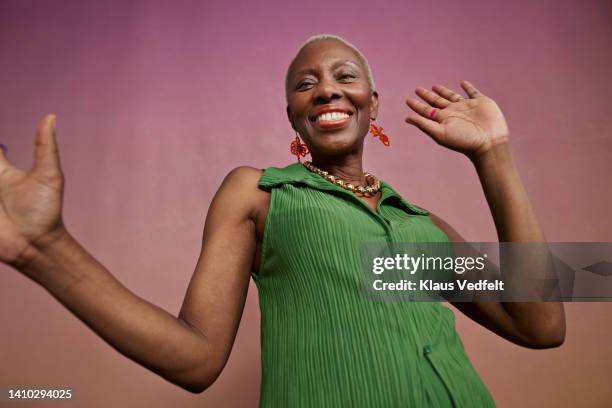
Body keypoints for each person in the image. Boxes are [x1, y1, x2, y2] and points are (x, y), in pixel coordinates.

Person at [0, 34, 565, 407]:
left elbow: (540, 325)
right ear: (293, 112)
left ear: (373, 100)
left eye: (344, 76)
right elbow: (195, 359)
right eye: (304, 83)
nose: (326, 89)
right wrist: (43, 249)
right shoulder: (261, 193)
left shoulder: (423, 229)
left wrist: (493, 153)